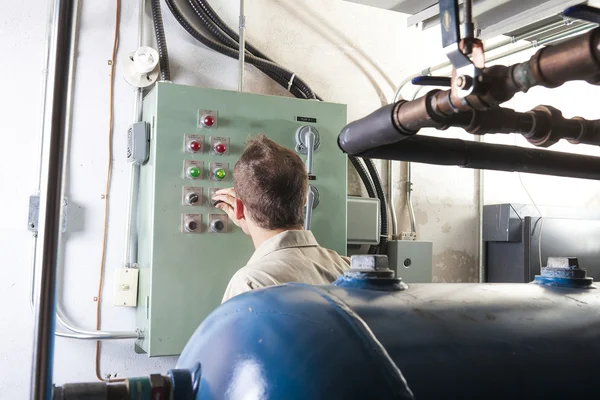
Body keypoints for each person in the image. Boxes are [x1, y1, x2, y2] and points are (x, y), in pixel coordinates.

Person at [213, 134, 350, 303]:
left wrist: (249, 217)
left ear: (239, 209)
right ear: (305, 200)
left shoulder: (251, 283)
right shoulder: (347, 268)